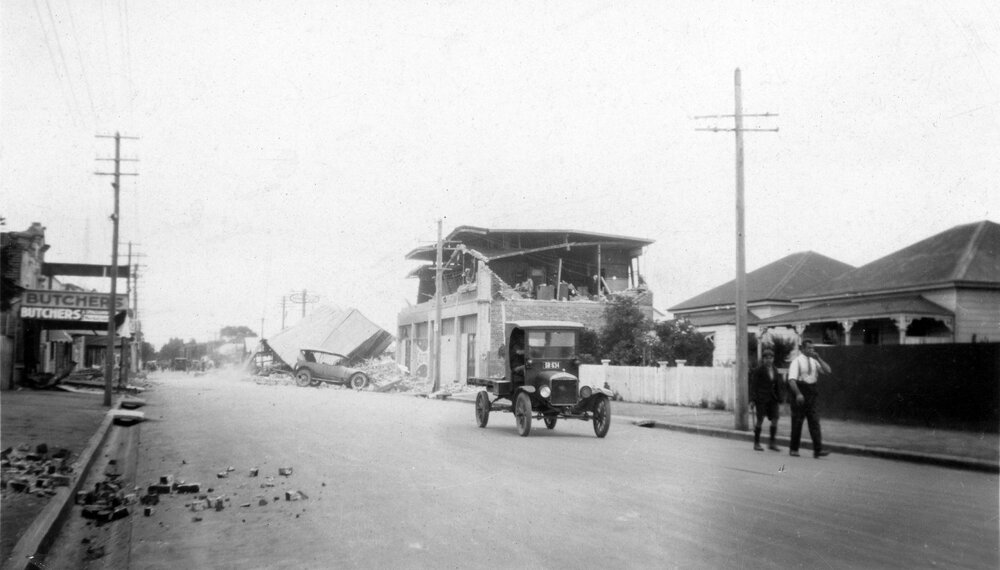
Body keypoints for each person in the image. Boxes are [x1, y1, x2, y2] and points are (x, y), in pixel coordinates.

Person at [787, 340, 832, 458]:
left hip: (812, 392)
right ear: (802, 349)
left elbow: (828, 371)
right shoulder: (796, 361)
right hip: (800, 390)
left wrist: (819, 359)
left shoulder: (814, 361)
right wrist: (798, 394)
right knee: (797, 422)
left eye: (812, 348)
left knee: (814, 422)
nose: (811, 350)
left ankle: (818, 450)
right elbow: (791, 380)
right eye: (809, 348)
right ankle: (794, 449)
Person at [748, 349, 782, 451]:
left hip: (772, 398)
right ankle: (756, 443)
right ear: (763, 359)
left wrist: (779, 397)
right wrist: (752, 400)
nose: (769, 360)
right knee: (760, 420)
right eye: (767, 358)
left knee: (775, 418)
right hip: (761, 399)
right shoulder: (758, 370)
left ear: (773, 359)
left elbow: (777, 385)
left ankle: (772, 443)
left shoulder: (775, 370)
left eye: (771, 358)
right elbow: (753, 385)